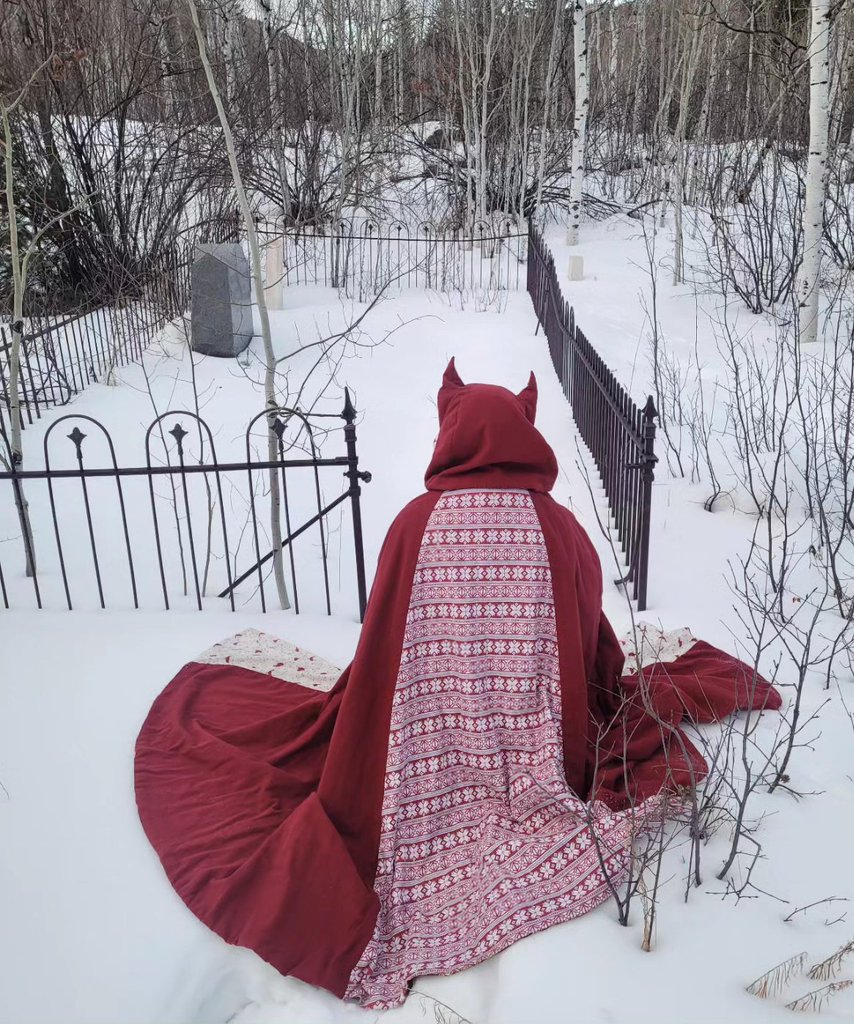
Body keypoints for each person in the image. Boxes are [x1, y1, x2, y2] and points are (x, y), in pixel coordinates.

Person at [135, 360, 781, 1009]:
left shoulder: (415, 524)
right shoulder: (561, 530)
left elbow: (383, 653)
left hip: (413, 763)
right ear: (523, 432)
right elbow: (591, 647)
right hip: (548, 761)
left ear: (452, 431)